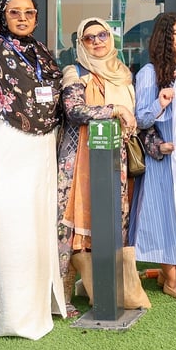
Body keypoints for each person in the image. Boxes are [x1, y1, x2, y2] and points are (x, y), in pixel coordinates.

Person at [0, 0, 65, 339]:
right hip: (6, 154)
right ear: (2, 16)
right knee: (12, 234)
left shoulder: (42, 53)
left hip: (40, 154)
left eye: (29, 12)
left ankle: (41, 305)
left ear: (36, 18)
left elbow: (57, 99)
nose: (22, 18)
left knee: (38, 231)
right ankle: (14, 317)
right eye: (15, 12)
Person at [56, 18, 148, 317]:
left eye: (102, 35)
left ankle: (104, 288)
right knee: (74, 224)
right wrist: (114, 110)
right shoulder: (75, 72)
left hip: (116, 160)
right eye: (88, 38)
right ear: (80, 44)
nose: (97, 41)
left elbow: (136, 118)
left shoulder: (123, 72)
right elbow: (74, 111)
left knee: (109, 224)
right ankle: (62, 293)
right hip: (82, 158)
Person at [131, 12, 176, 302]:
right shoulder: (149, 73)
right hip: (162, 158)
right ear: (164, 37)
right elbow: (141, 119)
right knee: (165, 216)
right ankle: (171, 280)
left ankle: (167, 271)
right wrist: (161, 102)